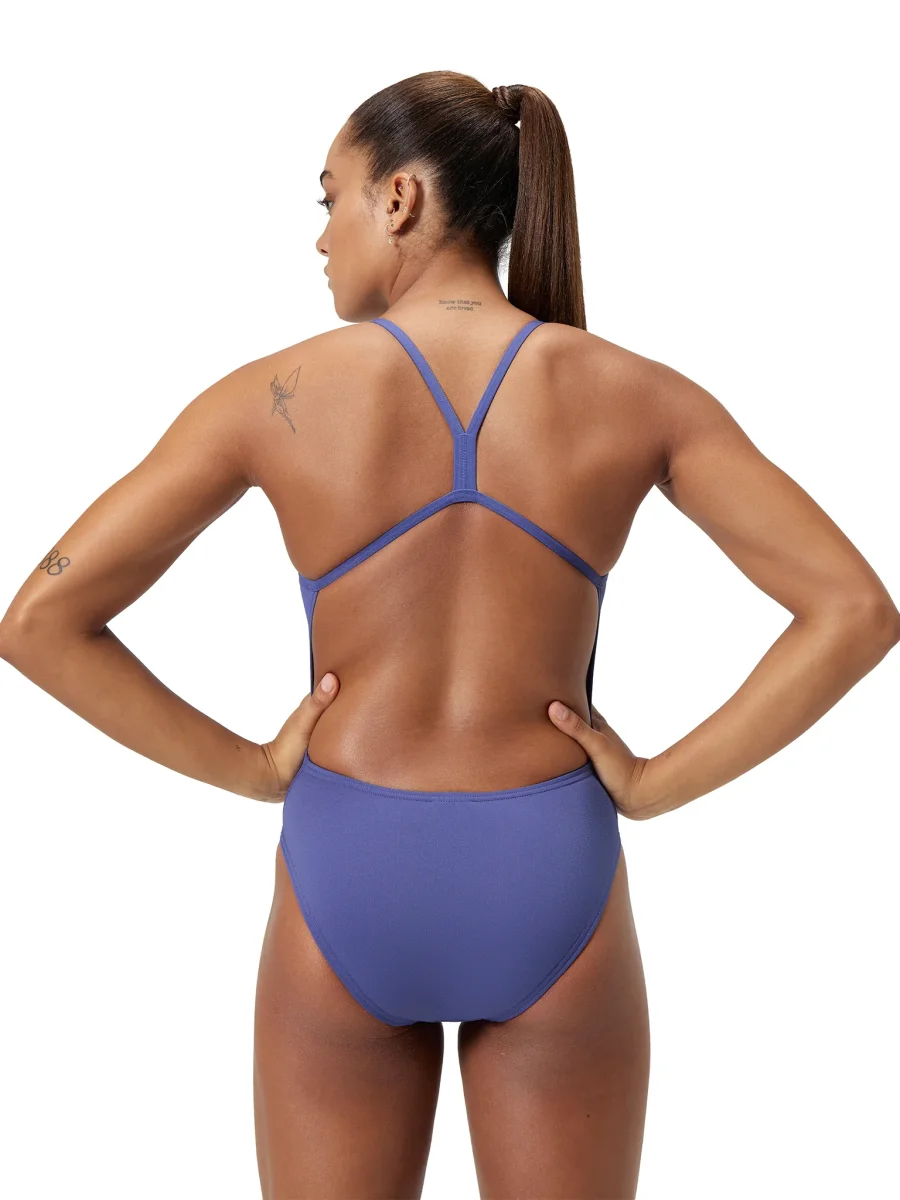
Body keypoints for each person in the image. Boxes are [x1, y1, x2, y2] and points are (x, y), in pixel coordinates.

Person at [1, 69, 897, 1200]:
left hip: (347, 867)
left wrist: (255, 767)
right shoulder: (633, 393)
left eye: (329, 197)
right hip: (552, 873)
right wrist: (654, 784)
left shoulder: (274, 396)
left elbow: (40, 620)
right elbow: (854, 610)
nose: (319, 235)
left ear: (401, 198)